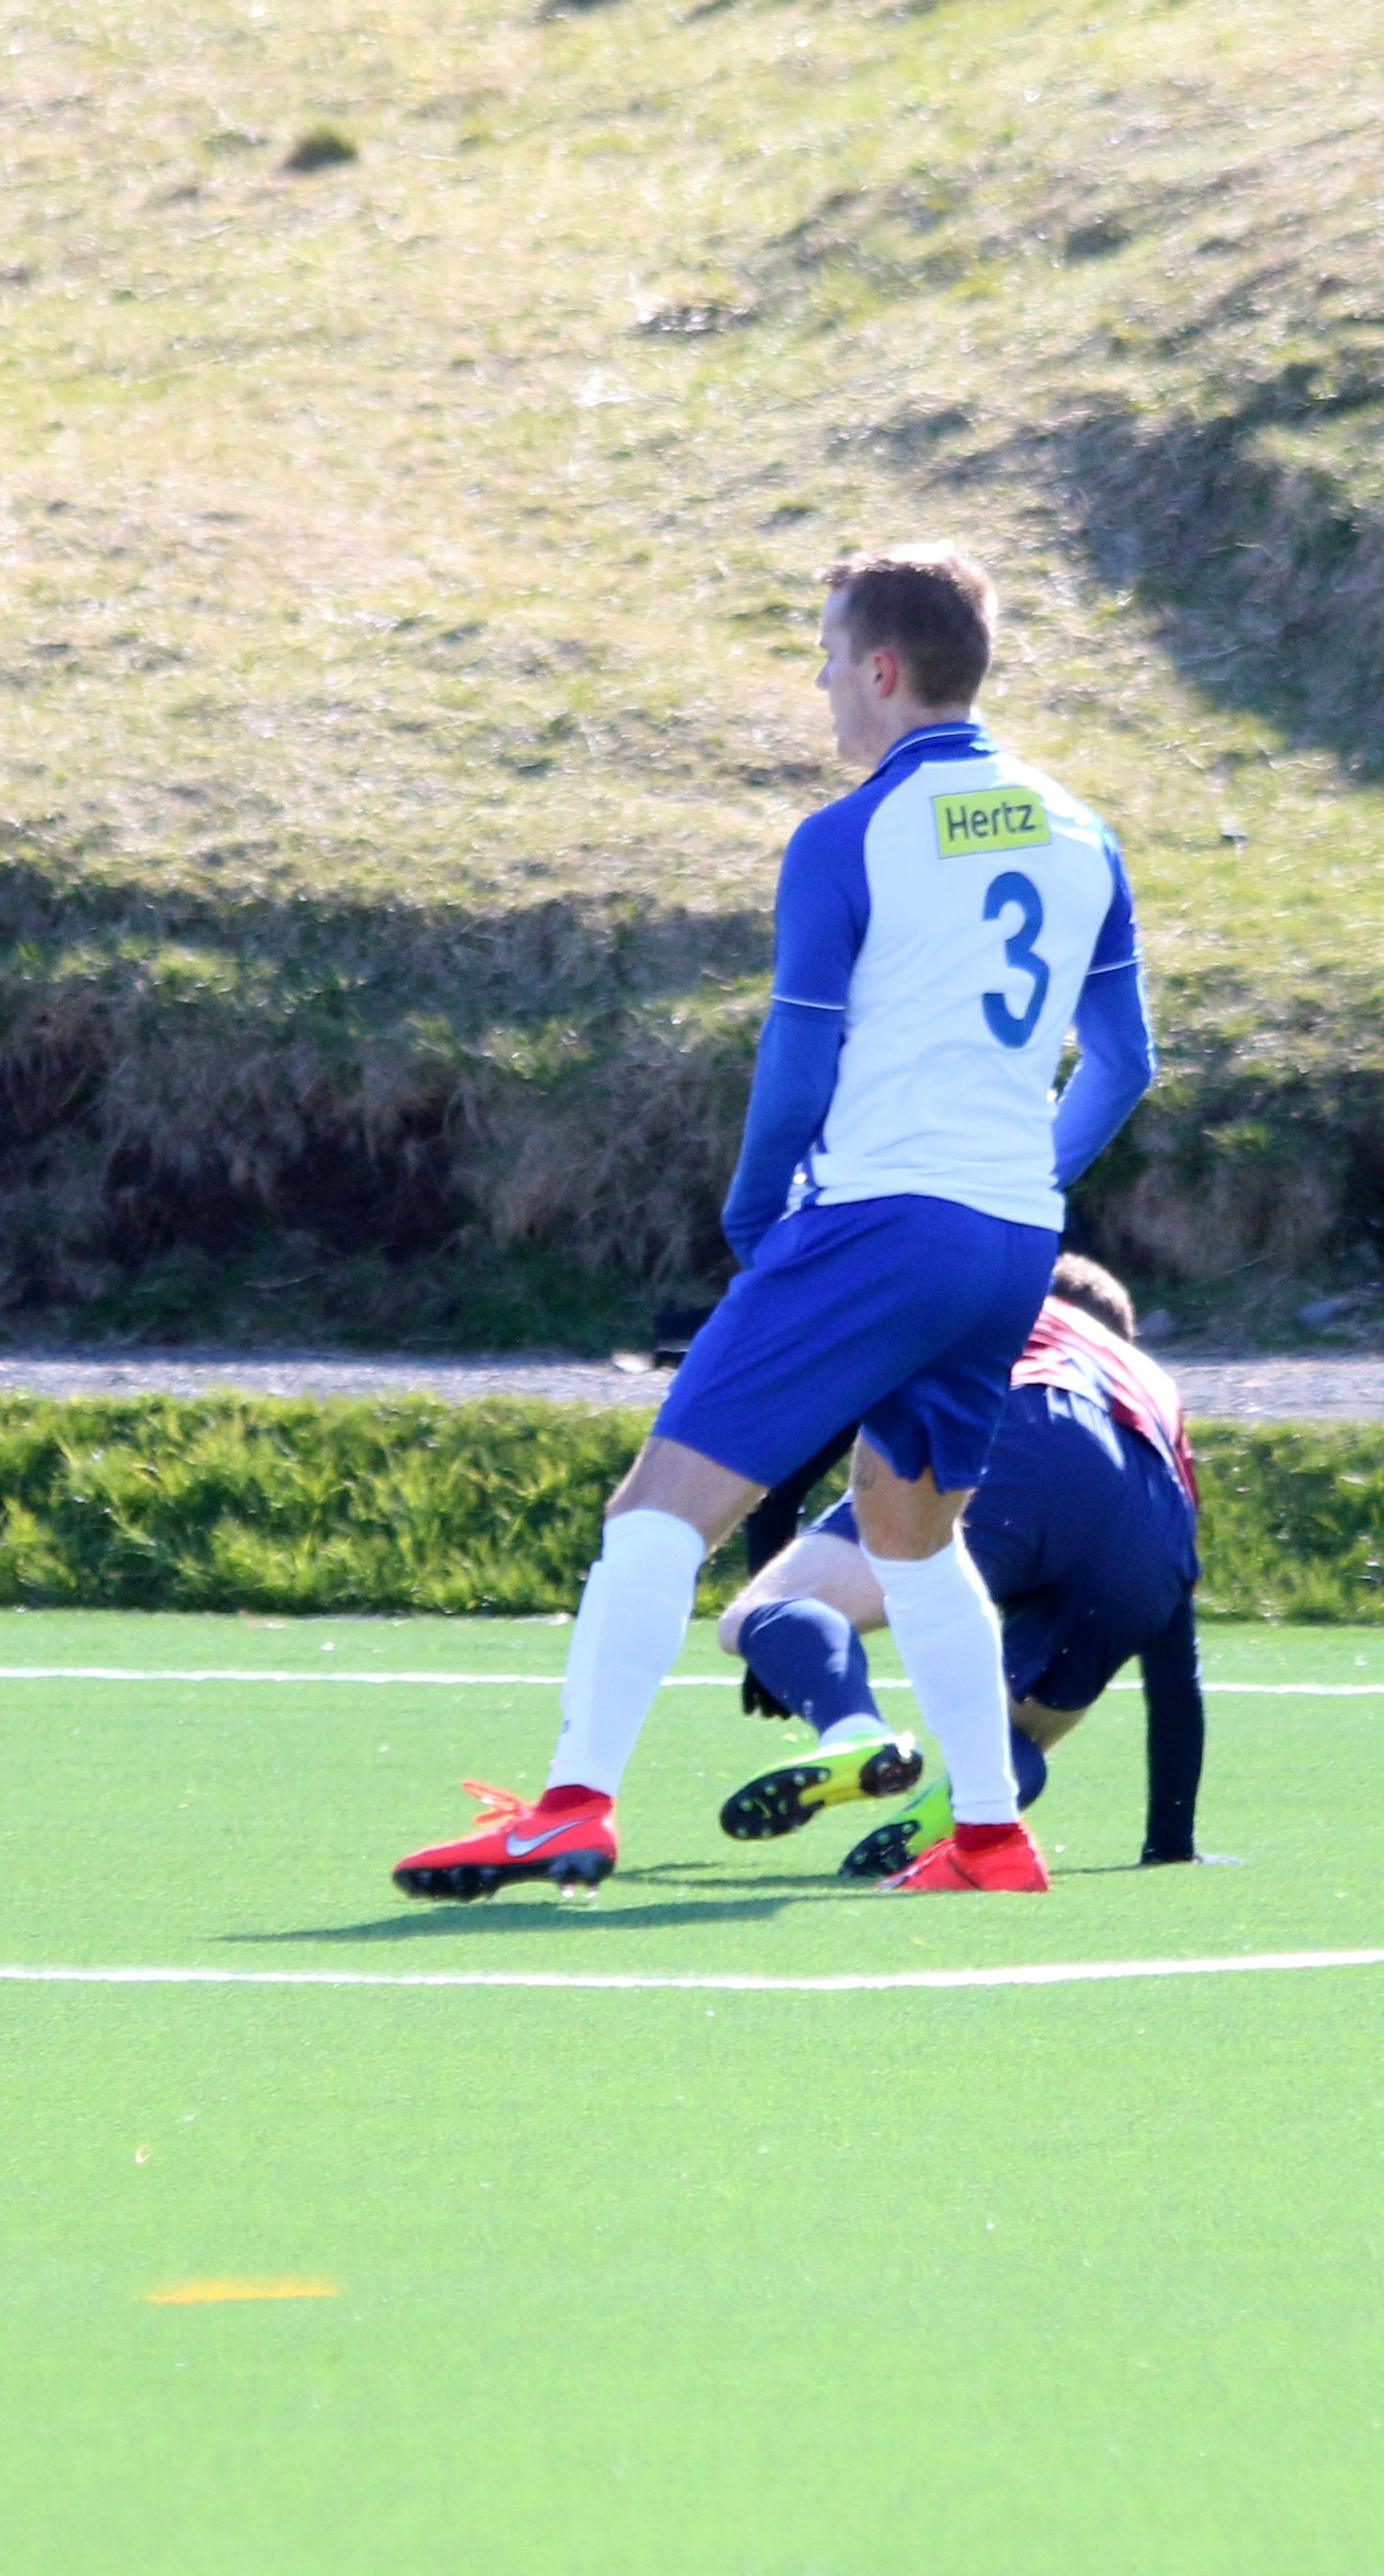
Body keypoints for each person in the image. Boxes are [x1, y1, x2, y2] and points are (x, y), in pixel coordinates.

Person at [393, 544, 1154, 1901]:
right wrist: (1018, 1176)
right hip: (1004, 1239)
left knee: (656, 1509)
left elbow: (796, 1058)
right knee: (913, 1533)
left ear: (882, 667)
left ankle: (569, 1807)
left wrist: (755, 1211)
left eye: (825, 657)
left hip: (875, 1216)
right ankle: (989, 1836)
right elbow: (1124, 1061)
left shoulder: (846, 835)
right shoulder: (1080, 830)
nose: (819, 686)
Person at [713, 1254, 1208, 1873]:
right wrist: (1170, 1842)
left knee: (761, 1611)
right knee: (1020, 1735)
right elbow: (1176, 1674)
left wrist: (783, 1642)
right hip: (1155, 1519)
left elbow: (800, 1456)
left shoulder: (1001, 1302)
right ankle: (967, 1810)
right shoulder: (1152, 1385)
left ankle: (855, 1732)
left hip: (1028, 1426)